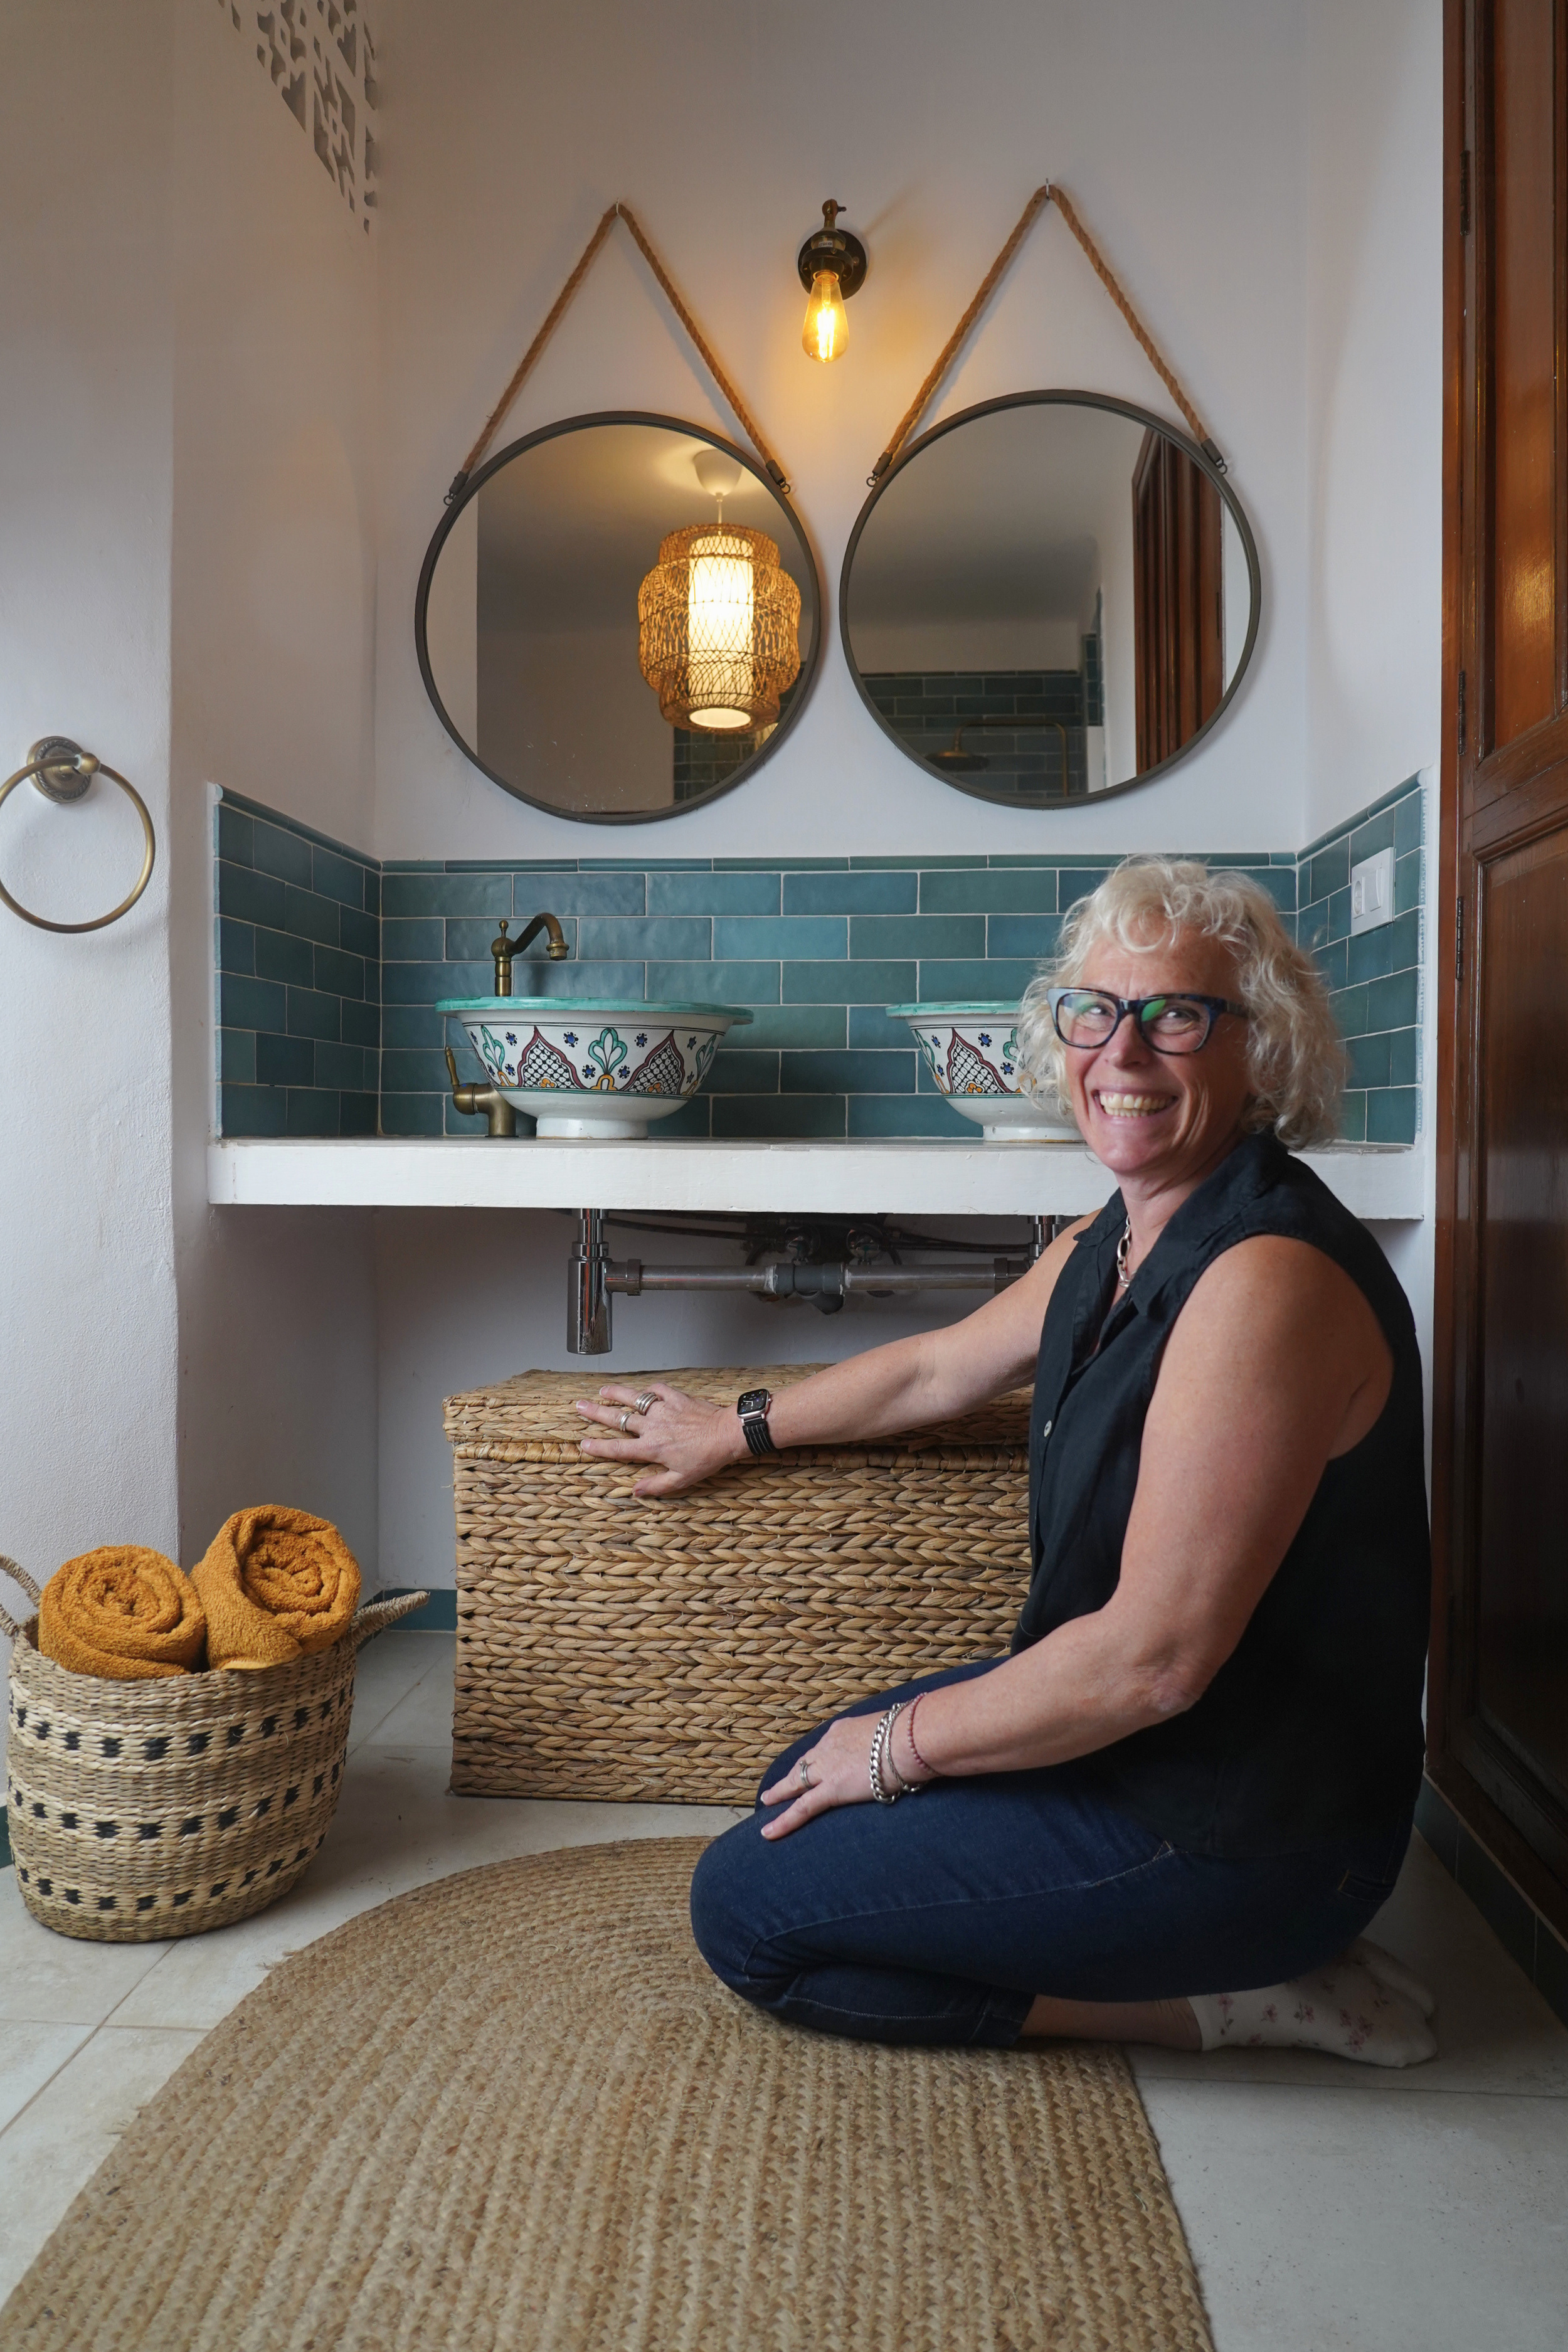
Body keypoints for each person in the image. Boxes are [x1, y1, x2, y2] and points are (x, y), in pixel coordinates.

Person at [575, 858, 1437, 2065]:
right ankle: (1217, 1950)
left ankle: (1248, 1993)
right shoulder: (1126, 1231)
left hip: (1242, 1828)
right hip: (1149, 1758)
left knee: (750, 1915)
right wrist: (737, 1425)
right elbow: (937, 1368)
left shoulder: (1263, 1282)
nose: (1121, 1054)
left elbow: (1152, 1662)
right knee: (794, 1793)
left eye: (1176, 1015)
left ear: (1264, 1050)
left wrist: (893, 1747)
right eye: (1095, 1012)